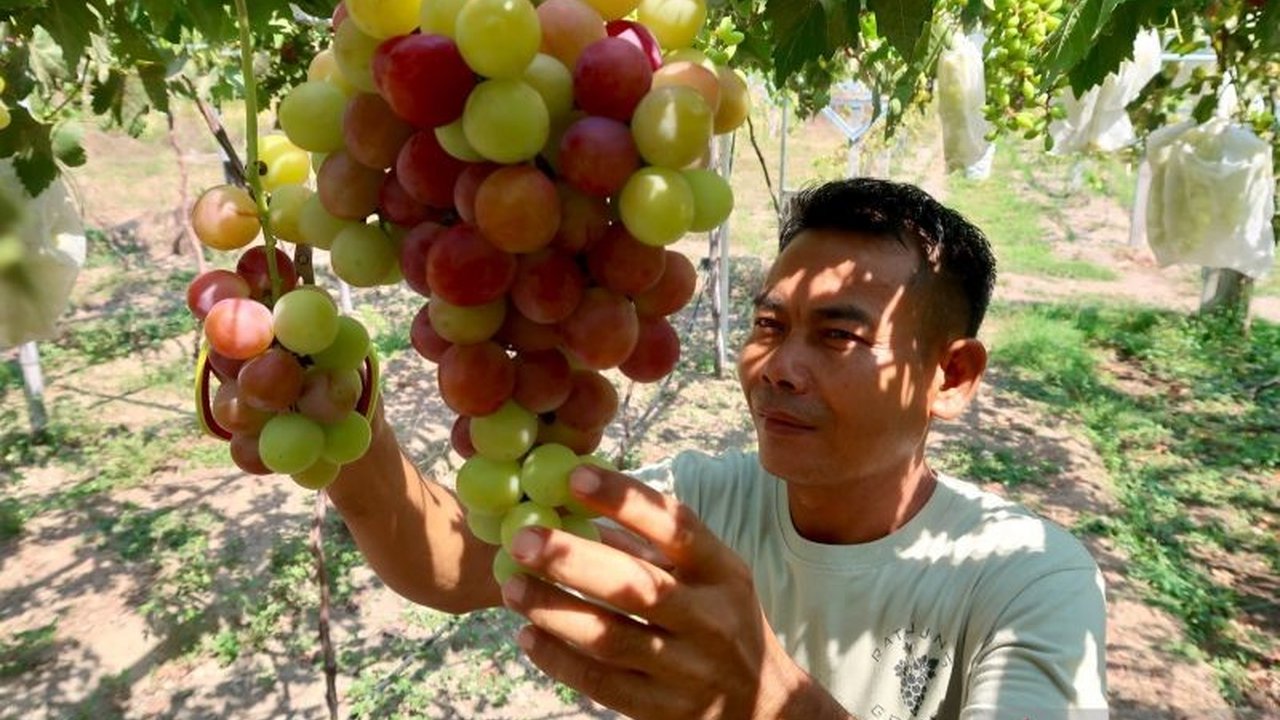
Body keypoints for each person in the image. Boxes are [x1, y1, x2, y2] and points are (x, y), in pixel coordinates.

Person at [326, 178, 1109, 720]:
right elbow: (464, 561)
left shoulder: (1028, 578)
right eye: (769, 327)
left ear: (951, 376)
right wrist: (344, 426)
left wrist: (769, 704)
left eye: (838, 335)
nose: (779, 369)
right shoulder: (698, 506)